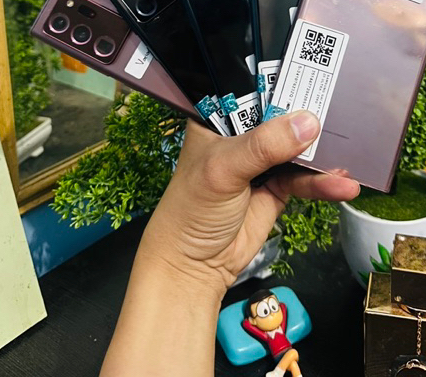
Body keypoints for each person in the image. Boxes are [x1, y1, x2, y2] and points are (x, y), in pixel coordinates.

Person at [99, 110, 360, 377]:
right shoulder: (263, 326)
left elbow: (277, 309)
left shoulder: (276, 321)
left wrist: (190, 268)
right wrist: (192, 268)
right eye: (266, 311)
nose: (272, 312)